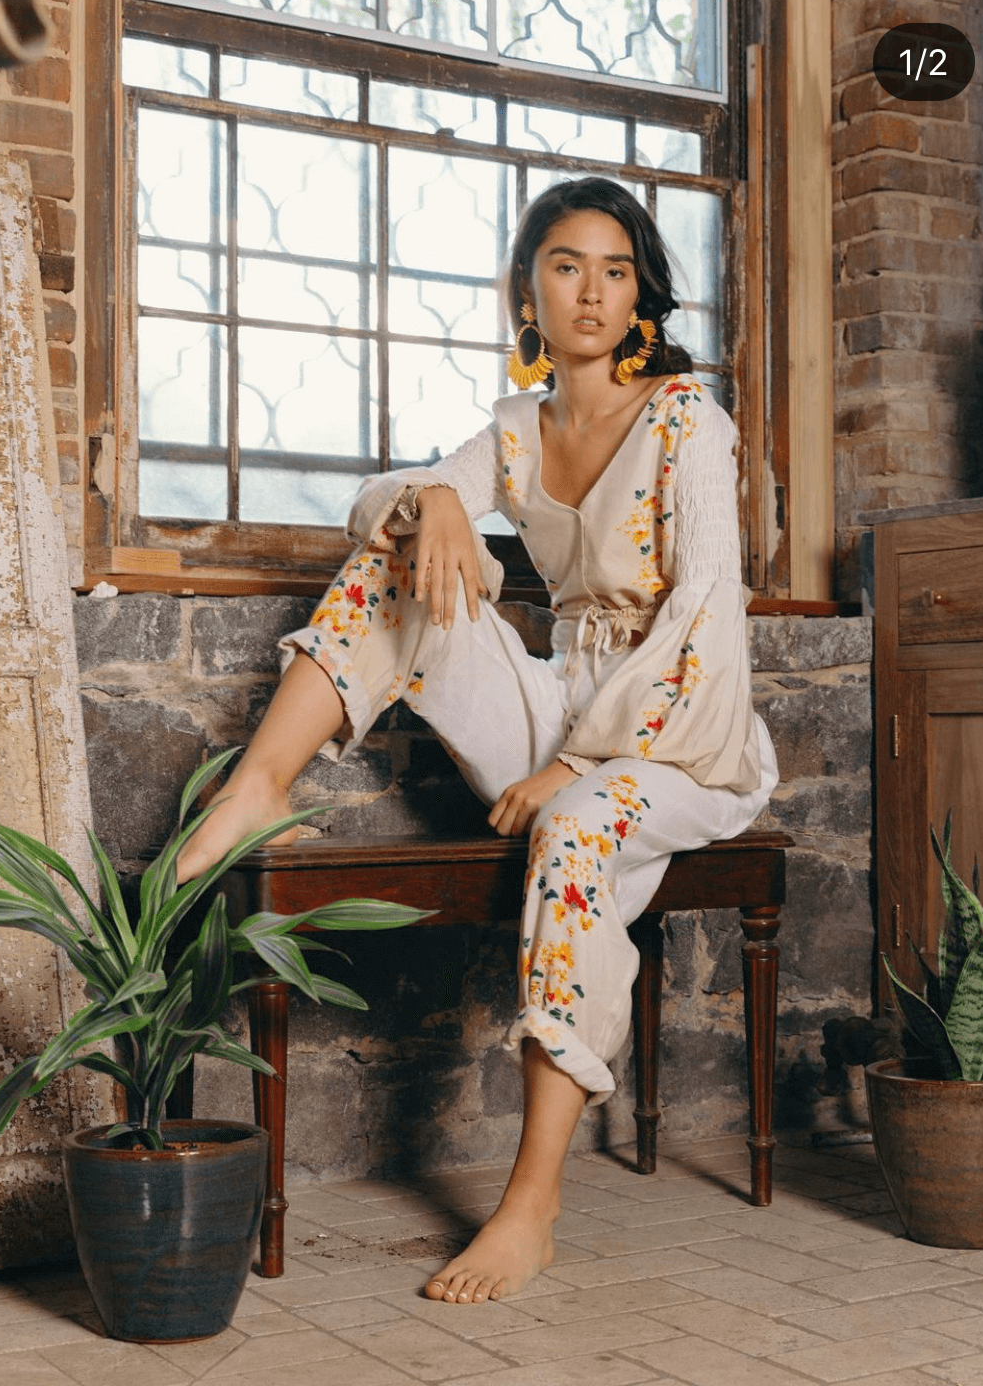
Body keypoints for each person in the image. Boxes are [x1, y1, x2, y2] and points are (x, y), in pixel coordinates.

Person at [176, 176, 778, 1306]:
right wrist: (435, 501)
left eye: (614, 269)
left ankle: (531, 1202)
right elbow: (375, 501)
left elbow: (705, 614)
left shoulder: (687, 418)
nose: (591, 291)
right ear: (526, 294)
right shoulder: (518, 429)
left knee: (578, 825)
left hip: (678, 739)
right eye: (565, 265)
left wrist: (580, 763)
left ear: (640, 293)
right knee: (396, 557)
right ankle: (257, 786)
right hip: (561, 704)